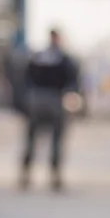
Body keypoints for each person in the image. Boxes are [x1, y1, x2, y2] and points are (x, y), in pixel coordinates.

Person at [21, 28, 80, 192]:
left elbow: (26, 78)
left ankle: (26, 174)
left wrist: (26, 101)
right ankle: (54, 176)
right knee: (55, 139)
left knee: (32, 139)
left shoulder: (38, 56)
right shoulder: (63, 58)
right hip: (55, 100)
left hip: (36, 99)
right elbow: (73, 80)